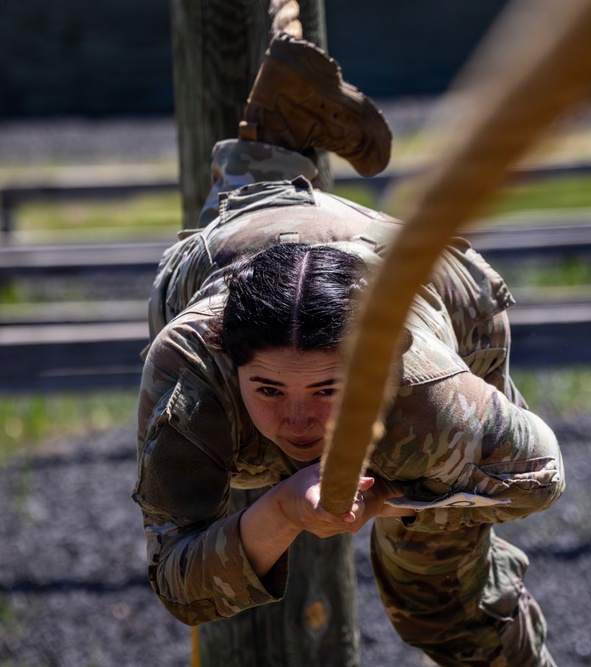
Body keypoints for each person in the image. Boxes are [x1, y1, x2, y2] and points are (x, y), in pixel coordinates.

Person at [132, 33, 565, 666]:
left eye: (326, 390)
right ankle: (276, 128)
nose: (299, 419)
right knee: (236, 226)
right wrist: (282, 510)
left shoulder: (427, 396)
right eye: (271, 389)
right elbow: (179, 579)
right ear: (230, 363)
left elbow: (539, 476)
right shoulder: (189, 369)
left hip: (431, 281)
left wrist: (393, 494)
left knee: (441, 606)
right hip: (255, 234)